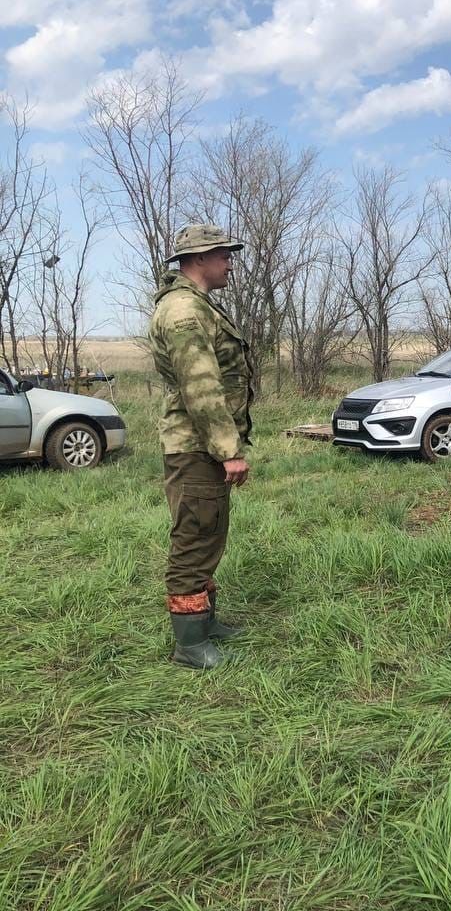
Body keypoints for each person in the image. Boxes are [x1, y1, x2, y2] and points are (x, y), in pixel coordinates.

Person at [148, 224, 252, 670]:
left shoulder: (197, 305)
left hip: (201, 445)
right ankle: (189, 646)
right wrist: (229, 448)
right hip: (197, 446)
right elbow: (201, 386)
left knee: (209, 533)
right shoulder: (184, 311)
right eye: (224, 254)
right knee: (193, 539)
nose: (230, 261)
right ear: (200, 258)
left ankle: (205, 621)